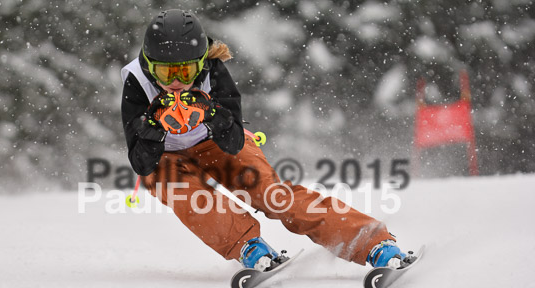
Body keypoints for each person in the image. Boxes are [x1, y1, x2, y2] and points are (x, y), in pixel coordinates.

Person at [121, 9, 411, 272]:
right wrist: (153, 126)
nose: (176, 81)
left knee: (272, 195)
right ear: (149, 66)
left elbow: (233, 142)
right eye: (164, 71)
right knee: (181, 190)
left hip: (215, 144)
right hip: (166, 157)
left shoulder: (214, 71)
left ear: (200, 65)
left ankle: (370, 241)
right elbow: (141, 163)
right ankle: (246, 245)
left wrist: (210, 113)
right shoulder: (136, 81)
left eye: (185, 71)